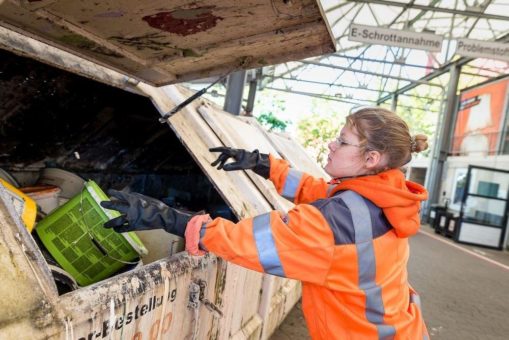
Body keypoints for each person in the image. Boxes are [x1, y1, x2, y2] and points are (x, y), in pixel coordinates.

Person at [101, 107, 430, 339]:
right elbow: (316, 190)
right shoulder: (384, 194)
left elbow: (246, 241)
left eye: (342, 141)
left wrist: (165, 217)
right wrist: (262, 164)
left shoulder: (336, 221)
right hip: (401, 330)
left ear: (371, 159)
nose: (332, 144)